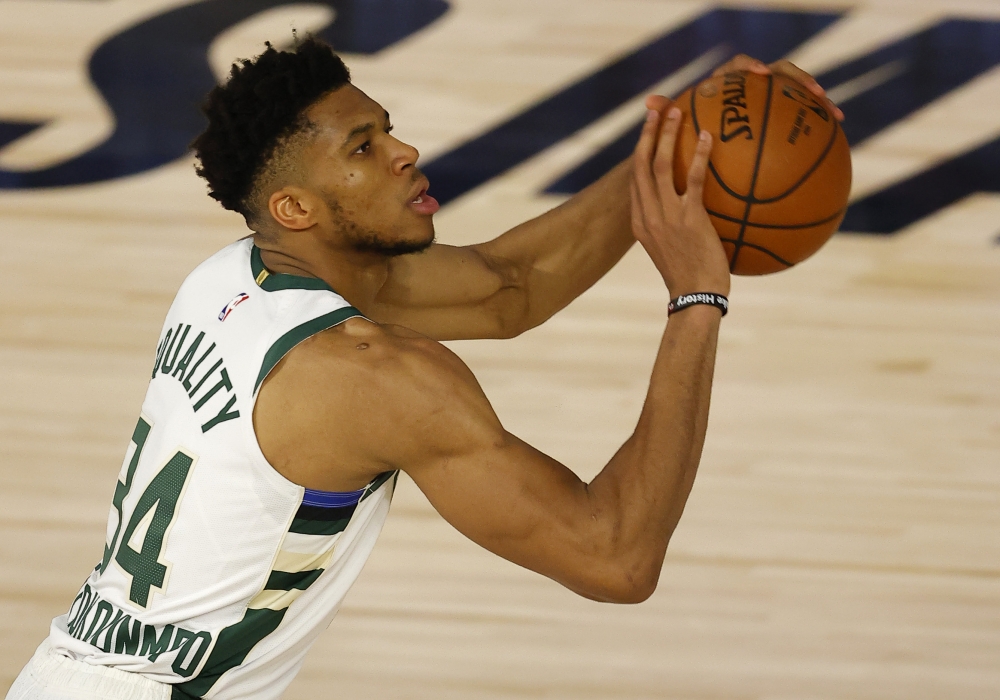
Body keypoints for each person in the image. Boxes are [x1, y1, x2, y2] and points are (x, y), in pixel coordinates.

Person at [6, 38, 840, 700]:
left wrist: (688, 141)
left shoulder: (232, 278)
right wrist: (697, 298)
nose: (405, 151)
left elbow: (511, 290)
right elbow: (615, 556)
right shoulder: (374, 375)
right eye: (365, 148)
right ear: (296, 207)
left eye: (387, 128)